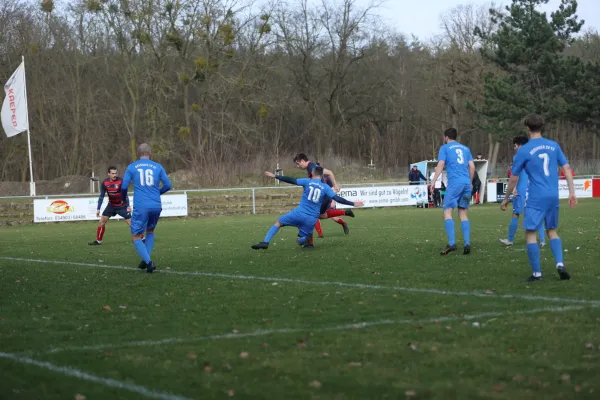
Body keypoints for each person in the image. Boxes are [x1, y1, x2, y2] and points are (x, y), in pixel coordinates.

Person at [500, 114, 577, 282]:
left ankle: (537, 274)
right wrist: (572, 192)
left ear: (527, 128)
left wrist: (506, 198)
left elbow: (514, 178)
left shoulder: (524, 150)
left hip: (536, 196)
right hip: (553, 196)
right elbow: (566, 168)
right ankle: (559, 264)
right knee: (552, 230)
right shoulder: (553, 146)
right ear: (541, 127)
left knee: (531, 232)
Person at [251, 167, 364, 250]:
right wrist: (353, 203)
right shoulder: (325, 187)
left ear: (313, 174)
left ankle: (265, 242)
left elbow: (291, 180)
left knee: (279, 222)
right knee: (300, 241)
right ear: (322, 175)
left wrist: (275, 176)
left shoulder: (307, 181)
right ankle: (305, 239)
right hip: (312, 219)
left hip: (299, 213)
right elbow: (338, 199)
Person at [121, 143, 172, 273]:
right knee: (150, 231)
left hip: (141, 206)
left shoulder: (132, 167)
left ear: (138, 154)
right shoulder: (158, 166)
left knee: (136, 236)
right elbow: (168, 185)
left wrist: (122, 199)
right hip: (156, 205)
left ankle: (149, 263)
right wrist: (157, 193)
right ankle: (146, 259)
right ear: (150, 153)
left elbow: (124, 187)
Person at [430, 127, 475, 255]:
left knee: (447, 212)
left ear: (446, 137)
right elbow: (472, 167)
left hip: (455, 183)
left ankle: (452, 243)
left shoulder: (445, 148)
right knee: (463, 213)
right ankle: (467, 243)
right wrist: (470, 182)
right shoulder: (466, 149)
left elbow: (440, 165)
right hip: (466, 183)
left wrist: (433, 182)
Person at [500, 136, 546, 247]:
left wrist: (512, 190)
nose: (514, 148)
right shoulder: (535, 155)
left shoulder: (518, 157)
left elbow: (515, 176)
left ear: (520, 145)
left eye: (515, 146)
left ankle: (510, 240)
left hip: (521, 189)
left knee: (515, 214)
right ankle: (543, 240)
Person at [293, 153, 349, 236]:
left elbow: (329, 177)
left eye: (298, 163)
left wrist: (334, 191)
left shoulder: (313, 169)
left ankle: (343, 221)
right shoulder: (311, 169)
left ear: (302, 161)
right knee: (314, 215)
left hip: (325, 197)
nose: (298, 166)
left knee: (324, 216)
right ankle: (318, 235)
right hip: (322, 196)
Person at [88, 166, 136, 246]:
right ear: (108, 174)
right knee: (101, 222)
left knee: (132, 224)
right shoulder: (105, 183)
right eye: (112, 173)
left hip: (121, 206)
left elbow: (125, 195)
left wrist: (127, 205)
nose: (114, 175)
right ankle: (98, 241)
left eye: (116, 173)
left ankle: (141, 238)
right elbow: (101, 196)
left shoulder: (121, 181)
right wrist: (98, 209)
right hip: (111, 206)